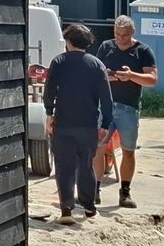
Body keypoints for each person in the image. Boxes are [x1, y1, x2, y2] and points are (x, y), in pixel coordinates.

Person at [44, 23, 115, 224]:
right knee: (86, 165)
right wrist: (106, 123)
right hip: (88, 124)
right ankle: (89, 208)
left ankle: (66, 209)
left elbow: (49, 90)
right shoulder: (97, 64)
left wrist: (49, 113)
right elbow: (106, 98)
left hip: (63, 122)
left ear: (68, 41)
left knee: (64, 166)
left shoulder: (59, 61)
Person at [94, 15, 157, 209]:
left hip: (128, 107)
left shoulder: (143, 51)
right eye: (118, 34)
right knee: (97, 148)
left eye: (125, 35)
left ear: (133, 33)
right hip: (104, 106)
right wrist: (107, 77)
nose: (121, 38)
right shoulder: (106, 47)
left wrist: (131, 76)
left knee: (128, 150)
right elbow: (95, 72)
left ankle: (125, 192)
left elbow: (152, 79)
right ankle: (94, 190)